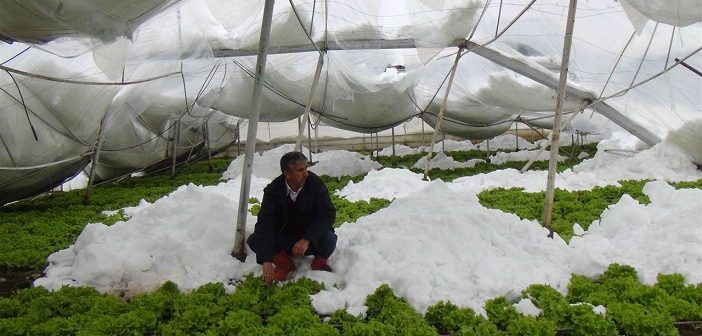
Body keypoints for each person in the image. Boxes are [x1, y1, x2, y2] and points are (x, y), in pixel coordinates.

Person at [247, 151, 337, 285]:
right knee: (255, 240)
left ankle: (319, 262)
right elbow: (265, 224)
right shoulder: (273, 191)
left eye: (306, 168)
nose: (306, 173)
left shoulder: (315, 184)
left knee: (329, 238)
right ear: (287, 174)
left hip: (310, 239)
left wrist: (306, 239)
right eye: (300, 170)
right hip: (286, 238)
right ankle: (284, 264)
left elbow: (327, 214)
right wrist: (266, 260)